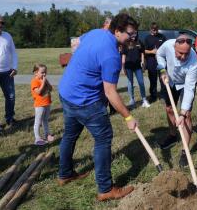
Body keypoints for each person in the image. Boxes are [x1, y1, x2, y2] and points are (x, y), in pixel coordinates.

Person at [58, 13, 138, 201]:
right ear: (117, 31)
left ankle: (65, 174)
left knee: (70, 134)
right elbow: (110, 92)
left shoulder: (96, 33)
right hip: (86, 102)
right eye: (130, 34)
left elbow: (76, 43)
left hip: (66, 93)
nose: (132, 38)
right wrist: (128, 116)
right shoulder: (112, 55)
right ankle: (105, 188)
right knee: (103, 139)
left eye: (135, 34)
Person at [157, 34, 197, 168]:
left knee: (186, 116)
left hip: (185, 85)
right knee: (169, 109)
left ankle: (185, 151)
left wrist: (182, 113)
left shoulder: (193, 60)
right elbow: (159, 54)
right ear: (174, 46)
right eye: (180, 53)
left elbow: (190, 88)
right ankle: (173, 135)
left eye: (186, 54)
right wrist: (162, 69)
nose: (183, 57)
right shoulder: (167, 44)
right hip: (169, 80)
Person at [122, 33, 150, 108]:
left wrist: (143, 62)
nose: (133, 36)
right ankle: (132, 100)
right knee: (130, 82)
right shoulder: (125, 43)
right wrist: (123, 68)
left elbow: (142, 53)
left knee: (141, 82)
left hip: (138, 66)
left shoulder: (139, 42)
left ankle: (144, 100)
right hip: (128, 66)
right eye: (132, 35)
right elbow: (123, 57)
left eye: (135, 34)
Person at [31, 63, 55, 146]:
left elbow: (51, 89)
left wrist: (46, 83)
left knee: (45, 120)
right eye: (42, 72)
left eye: (45, 72)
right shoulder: (35, 81)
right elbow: (38, 92)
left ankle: (47, 134)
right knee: (38, 121)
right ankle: (37, 138)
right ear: (36, 73)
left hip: (47, 103)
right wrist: (43, 83)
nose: (44, 74)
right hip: (39, 105)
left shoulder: (45, 80)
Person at [144, 22, 167, 102]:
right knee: (153, 79)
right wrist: (152, 52)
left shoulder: (162, 37)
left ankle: (163, 96)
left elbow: (166, 47)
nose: (155, 31)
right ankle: (153, 96)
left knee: (162, 78)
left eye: (156, 29)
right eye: (154, 29)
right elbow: (144, 51)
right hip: (151, 61)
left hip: (161, 61)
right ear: (150, 29)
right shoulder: (147, 38)